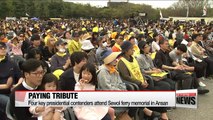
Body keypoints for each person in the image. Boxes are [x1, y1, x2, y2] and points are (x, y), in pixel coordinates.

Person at [0, 42, 22, 120]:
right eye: (0, 48)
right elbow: (6, 85)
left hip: (12, 91)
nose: (2, 49)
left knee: (24, 101)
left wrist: (17, 85)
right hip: (1, 92)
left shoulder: (11, 63)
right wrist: (6, 86)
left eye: (4, 47)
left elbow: (20, 76)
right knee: (9, 103)